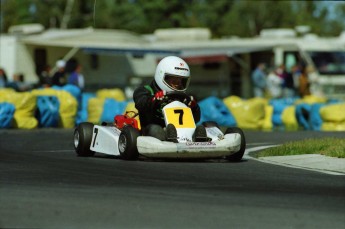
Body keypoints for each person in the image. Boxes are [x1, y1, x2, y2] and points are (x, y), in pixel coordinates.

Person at [133, 56, 205, 142]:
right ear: (161, 76)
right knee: (156, 130)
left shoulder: (183, 97)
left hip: (181, 131)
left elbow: (196, 119)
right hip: (151, 129)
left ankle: (197, 139)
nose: (178, 85)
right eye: (174, 81)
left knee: (207, 126)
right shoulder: (145, 91)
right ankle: (169, 137)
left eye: (181, 81)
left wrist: (194, 107)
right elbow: (141, 104)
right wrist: (154, 100)